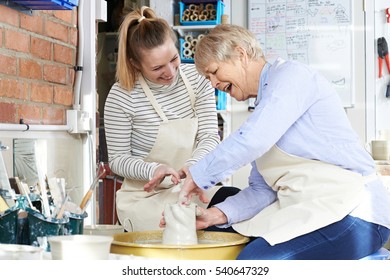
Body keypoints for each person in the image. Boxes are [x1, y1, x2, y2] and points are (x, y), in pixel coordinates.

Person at [171, 24, 390, 259]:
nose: (213, 83)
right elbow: (262, 191)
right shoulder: (265, 109)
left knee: (253, 264)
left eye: (214, 72)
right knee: (227, 243)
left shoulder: (292, 77)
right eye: (208, 78)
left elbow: (253, 139)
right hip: (316, 211)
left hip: (357, 213)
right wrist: (215, 215)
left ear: (240, 55)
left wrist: (200, 175)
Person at [103, 7, 239, 232]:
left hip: (193, 188)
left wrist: (195, 168)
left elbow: (209, 136)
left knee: (236, 207)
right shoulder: (122, 96)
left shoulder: (197, 79)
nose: (170, 72)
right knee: (186, 226)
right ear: (135, 64)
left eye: (173, 59)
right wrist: (153, 170)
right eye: (157, 67)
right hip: (145, 200)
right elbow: (117, 160)